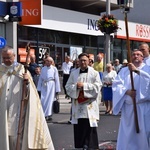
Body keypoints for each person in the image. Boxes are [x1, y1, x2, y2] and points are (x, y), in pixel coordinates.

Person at [0, 45, 54, 150]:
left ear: (14, 56)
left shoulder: (22, 70)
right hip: (3, 109)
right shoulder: (1, 70)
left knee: (17, 135)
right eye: (4, 58)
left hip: (17, 110)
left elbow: (32, 92)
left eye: (8, 57)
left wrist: (27, 82)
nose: (6, 60)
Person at [112, 49, 150, 150]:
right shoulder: (124, 71)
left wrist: (137, 71)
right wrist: (126, 92)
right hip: (129, 108)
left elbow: (148, 81)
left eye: (139, 55)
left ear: (142, 57)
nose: (136, 56)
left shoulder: (147, 68)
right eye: (133, 55)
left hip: (143, 107)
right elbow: (116, 85)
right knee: (128, 134)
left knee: (144, 132)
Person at [65, 53, 102, 149]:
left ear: (89, 61)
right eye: (81, 60)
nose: (83, 62)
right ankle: (80, 144)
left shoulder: (94, 73)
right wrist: (76, 86)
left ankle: (90, 145)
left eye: (85, 60)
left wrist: (84, 86)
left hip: (89, 104)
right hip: (78, 104)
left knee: (89, 124)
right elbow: (67, 87)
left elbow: (98, 86)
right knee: (79, 124)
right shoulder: (74, 73)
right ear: (78, 62)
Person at [37, 56, 61, 121]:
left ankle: (49, 114)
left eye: (48, 61)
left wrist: (57, 89)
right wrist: (39, 88)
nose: (47, 62)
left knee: (50, 100)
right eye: (46, 61)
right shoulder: (43, 68)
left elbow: (56, 79)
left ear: (51, 62)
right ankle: (44, 114)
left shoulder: (54, 69)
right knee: (43, 100)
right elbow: (40, 79)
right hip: (44, 85)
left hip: (51, 85)